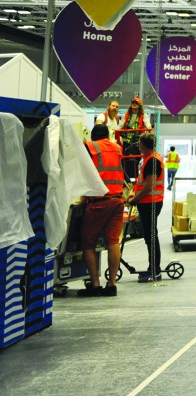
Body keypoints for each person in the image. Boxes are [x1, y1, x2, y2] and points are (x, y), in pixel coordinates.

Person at [78, 123, 126, 297]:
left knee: (88, 243)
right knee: (113, 241)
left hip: (99, 202)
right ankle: (111, 284)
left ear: (93, 136)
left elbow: (84, 174)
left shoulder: (89, 147)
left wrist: (82, 196)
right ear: (107, 135)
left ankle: (96, 285)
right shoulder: (118, 148)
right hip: (117, 200)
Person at [128, 132, 165, 282]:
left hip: (151, 202)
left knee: (151, 237)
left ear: (142, 145)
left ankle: (155, 270)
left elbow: (149, 186)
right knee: (149, 236)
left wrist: (135, 199)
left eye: (139, 144)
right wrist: (134, 194)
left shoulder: (152, 161)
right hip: (148, 202)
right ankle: (153, 268)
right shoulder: (149, 159)